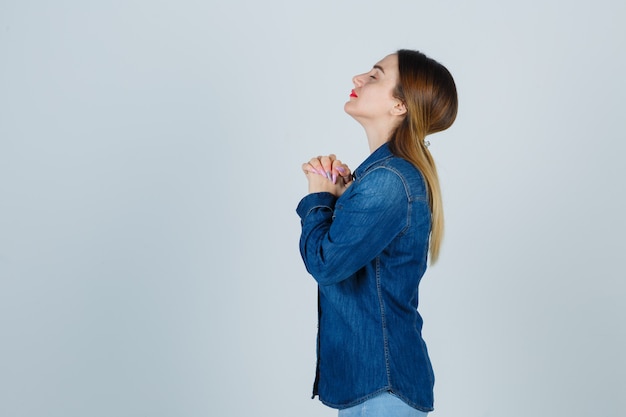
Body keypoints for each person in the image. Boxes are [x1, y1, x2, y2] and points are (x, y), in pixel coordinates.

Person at [296, 49, 458, 417]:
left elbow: (324, 263)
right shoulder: (383, 177)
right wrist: (339, 198)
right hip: (375, 388)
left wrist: (319, 196)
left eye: (375, 75)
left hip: (381, 391)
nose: (358, 79)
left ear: (400, 105)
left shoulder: (389, 180)